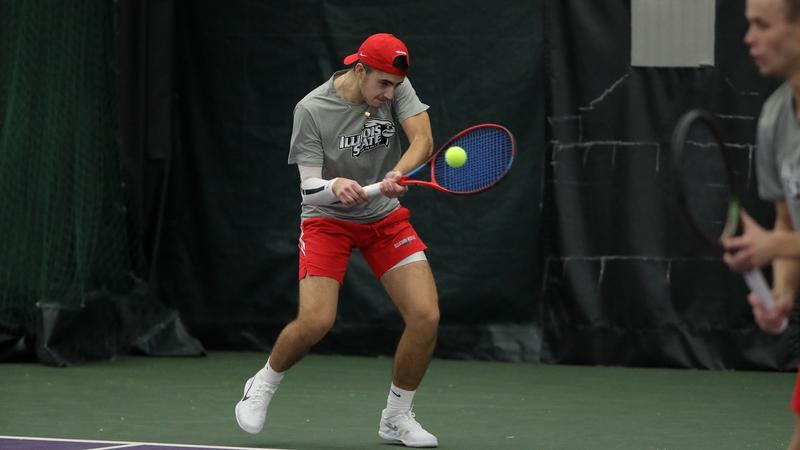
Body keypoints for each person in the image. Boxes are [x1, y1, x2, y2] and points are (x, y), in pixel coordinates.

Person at [234, 33, 440, 448]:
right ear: (359, 70)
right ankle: (264, 382)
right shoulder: (311, 109)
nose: (389, 93)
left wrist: (396, 174)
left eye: (395, 86)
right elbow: (309, 185)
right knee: (317, 321)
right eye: (382, 84)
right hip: (327, 221)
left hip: (384, 219)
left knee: (426, 316)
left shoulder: (395, 86)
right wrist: (335, 183)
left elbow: (423, 140)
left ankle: (396, 417)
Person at [722, 0, 800, 448]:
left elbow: (781, 238)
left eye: (762, 26)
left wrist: (774, 246)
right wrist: (783, 295)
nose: (749, 38)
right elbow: (788, 218)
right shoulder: (774, 118)